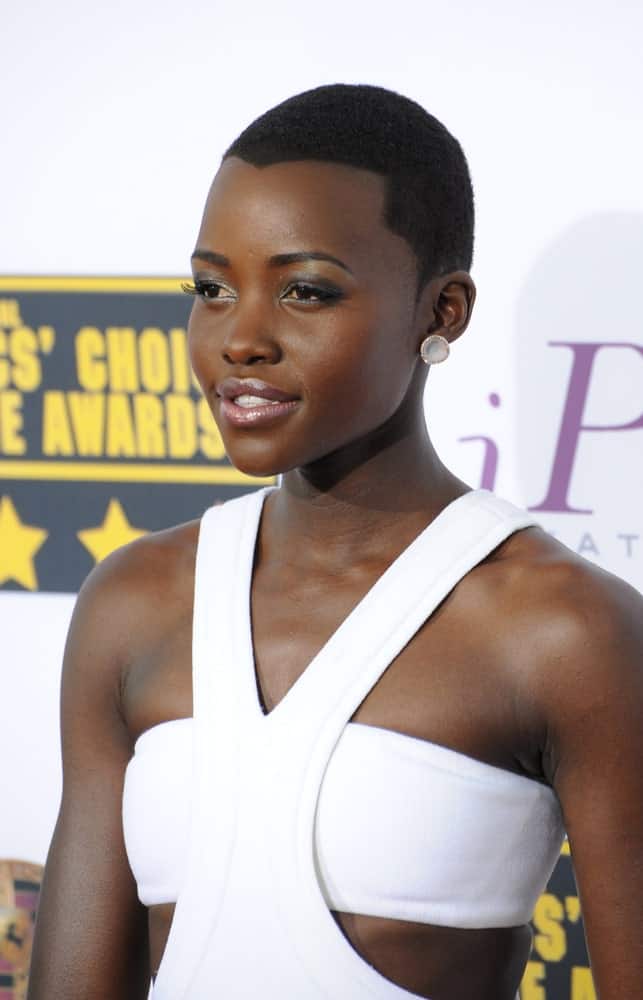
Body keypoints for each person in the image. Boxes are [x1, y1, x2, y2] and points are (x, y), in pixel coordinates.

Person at [27, 85, 643, 1000]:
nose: (240, 339)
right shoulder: (133, 602)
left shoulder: (565, 631)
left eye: (305, 291)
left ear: (442, 313)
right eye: (211, 289)